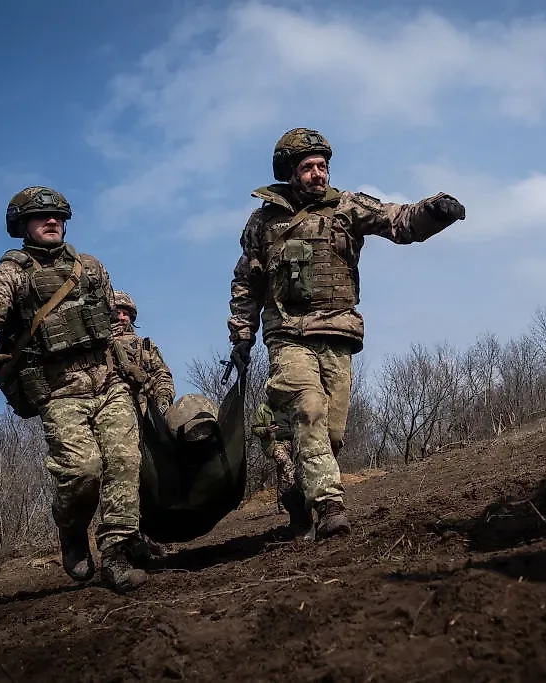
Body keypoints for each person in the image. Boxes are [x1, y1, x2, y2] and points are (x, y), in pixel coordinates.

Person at [227, 128, 466, 540]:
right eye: (308, 167)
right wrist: (242, 335)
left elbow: (398, 219)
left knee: (330, 435)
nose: (318, 173)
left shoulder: (346, 207)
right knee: (307, 409)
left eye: (323, 166)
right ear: (289, 172)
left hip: (337, 331)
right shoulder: (262, 222)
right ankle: (330, 506)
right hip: (286, 334)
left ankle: (297, 491)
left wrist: (436, 210)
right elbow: (247, 281)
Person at [0, 186, 148, 593]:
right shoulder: (9, 277)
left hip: (108, 381)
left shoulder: (90, 267)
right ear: (22, 226)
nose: (52, 222)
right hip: (59, 391)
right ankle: (71, 531)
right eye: (40, 217)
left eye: (58, 216)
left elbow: (109, 326)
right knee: (83, 470)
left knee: (124, 461)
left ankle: (117, 553)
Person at [111, 290, 175, 418]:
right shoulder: (100, 346)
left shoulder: (144, 345)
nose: (121, 317)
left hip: (145, 412)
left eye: (126, 314)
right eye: (117, 313)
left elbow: (161, 374)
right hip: (112, 410)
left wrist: (163, 398)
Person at [250, 401, 305, 524]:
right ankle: (298, 500)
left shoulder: (288, 406)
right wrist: (266, 430)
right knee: (288, 467)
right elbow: (254, 428)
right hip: (275, 444)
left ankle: (282, 505)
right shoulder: (263, 408)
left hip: (291, 443)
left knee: (282, 475)